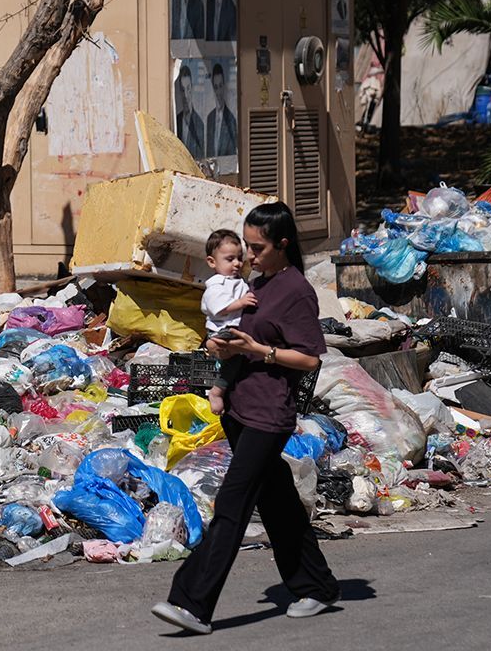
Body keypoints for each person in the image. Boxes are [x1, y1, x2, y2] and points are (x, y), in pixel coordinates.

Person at [152, 202, 340, 634]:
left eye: (257, 247)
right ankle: (318, 584)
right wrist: (224, 346)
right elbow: (235, 330)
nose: (249, 256)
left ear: (283, 245)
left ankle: (192, 603)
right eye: (247, 246)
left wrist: (260, 352)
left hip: (268, 416)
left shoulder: (296, 290)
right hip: (239, 407)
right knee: (277, 503)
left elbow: (309, 358)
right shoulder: (260, 282)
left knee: (232, 507)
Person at [200, 229, 257, 416]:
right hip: (222, 331)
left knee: (243, 359)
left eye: (239, 258)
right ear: (212, 262)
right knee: (235, 361)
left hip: (236, 329)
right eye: (230, 259)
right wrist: (240, 303)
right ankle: (217, 392)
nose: (237, 263)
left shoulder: (238, 280)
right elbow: (219, 308)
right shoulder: (216, 285)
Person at [205, 63, 238, 158]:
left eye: (220, 86)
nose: (218, 92)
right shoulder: (210, 118)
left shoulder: (231, 120)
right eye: (215, 87)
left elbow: (232, 155)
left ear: (224, 86)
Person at [175, 65, 205, 158]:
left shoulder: (199, 124)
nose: (186, 95)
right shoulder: (177, 120)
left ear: (192, 89)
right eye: (183, 90)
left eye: (188, 89)